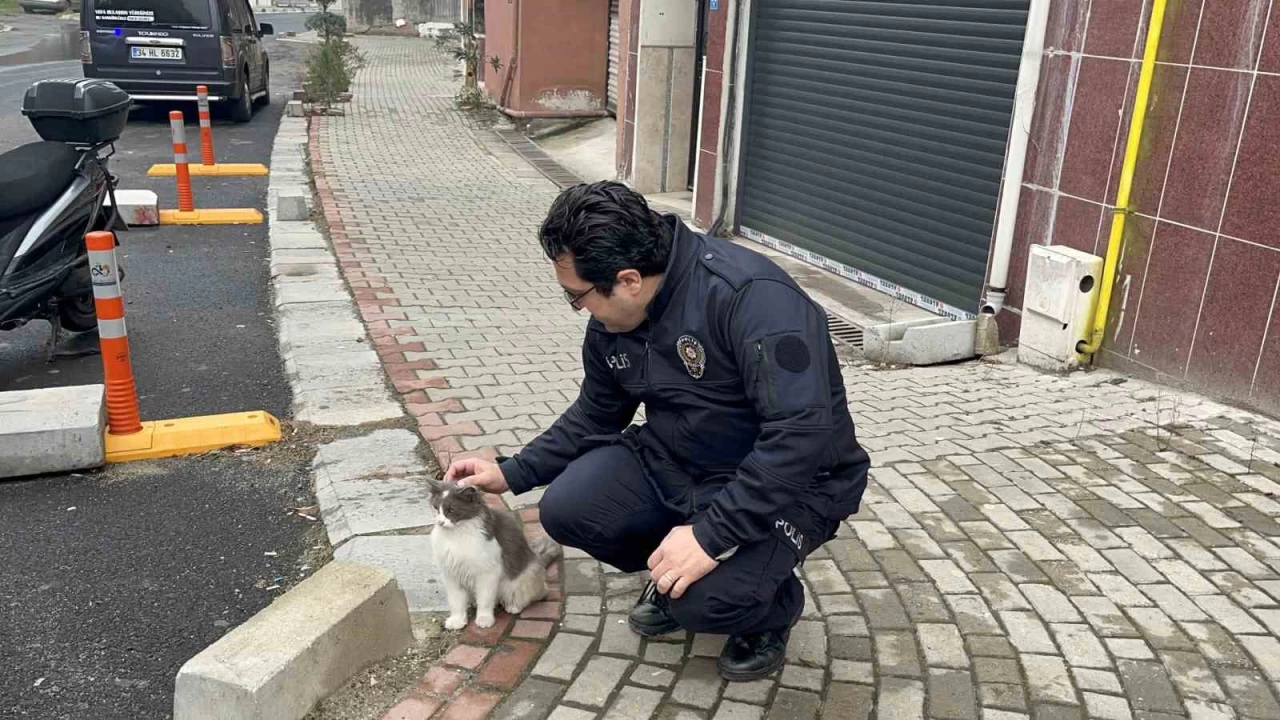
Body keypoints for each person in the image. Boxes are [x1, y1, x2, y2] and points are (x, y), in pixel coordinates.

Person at [444, 181, 870, 681]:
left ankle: (769, 606)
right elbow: (597, 412)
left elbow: (800, 436)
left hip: (795, 482)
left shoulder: (750, 298)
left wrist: (712, 535)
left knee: (707, 606)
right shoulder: (616, 320)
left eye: (576, 296)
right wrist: (512, 471)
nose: (578, 308)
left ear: (627, 280)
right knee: (568, 509)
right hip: (680, 461)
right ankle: (678, 573)